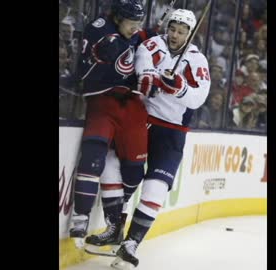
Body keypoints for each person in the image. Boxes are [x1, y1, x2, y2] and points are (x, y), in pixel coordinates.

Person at [85, 9, 211, 269]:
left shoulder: (197, 60)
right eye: (173, 29)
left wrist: (179, 87)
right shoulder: (153, 44)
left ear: (189, 34)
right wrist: (149, 77)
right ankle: (114, 225)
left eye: (181, 32)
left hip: (172, 132)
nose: (175, 35)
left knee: (155, 187)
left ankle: (131, 244)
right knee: (112, 165)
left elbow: (198, 99)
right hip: (142, 121)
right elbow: (143, 61)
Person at [66, 0, 156, 246]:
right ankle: (81, 216)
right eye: (131, 23)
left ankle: (116, 222)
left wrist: (150, 71)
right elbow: (110, 52)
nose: (135, 29)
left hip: (132, 105)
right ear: (117, 18)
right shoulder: (100, 28)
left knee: (134, 170)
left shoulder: (136, 35)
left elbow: (146, 51)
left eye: (139, 24)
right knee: (92, 157)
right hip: (102, 101)